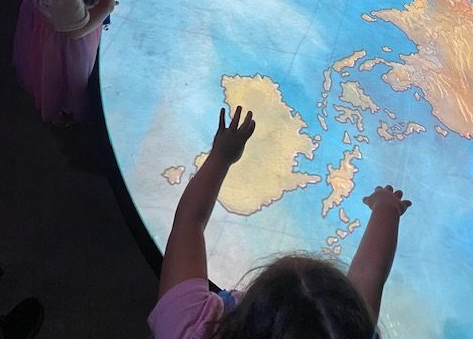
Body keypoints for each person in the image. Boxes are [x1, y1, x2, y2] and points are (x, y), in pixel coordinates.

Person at [149, 105, 412, 338]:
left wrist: (221, 156)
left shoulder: (188, 327)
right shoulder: (340, 330)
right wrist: (387, 208)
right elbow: (370, 273)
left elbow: (189, 221)